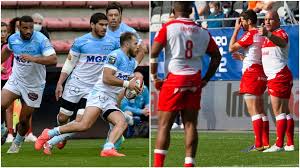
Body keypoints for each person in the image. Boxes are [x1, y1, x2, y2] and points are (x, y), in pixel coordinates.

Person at [35, 32, 144, 157]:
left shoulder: (130, 62)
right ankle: (49, 134)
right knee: (83, 125)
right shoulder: (115, 56)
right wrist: (127, 84)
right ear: (126, 44)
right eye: (135, 44)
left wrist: (133, 91)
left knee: (121, 122)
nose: (137, 47)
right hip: (99, 95)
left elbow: (127, 85)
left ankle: (108, 148)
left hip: (110, 99)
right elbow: (106, 78)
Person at [36, 13, 118, 155]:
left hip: (94, 89)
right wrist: (60, 83)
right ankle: (61, 135)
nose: (105, 27)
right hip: (75, 84)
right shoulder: (81, 42)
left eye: (106, 25)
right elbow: (69, 63)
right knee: (63, 117)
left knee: (81, 122)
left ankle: (51, 139)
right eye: (101, 24)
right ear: (92, 25)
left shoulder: (112, 43)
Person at [151, 1, 221, 167]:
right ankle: (189, 164)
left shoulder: (169, 27)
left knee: (164, 126)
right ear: (191, 11)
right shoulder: (203, 31)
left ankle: (158, 165)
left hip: (174, 78)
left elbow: (153, 53)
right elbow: (216, 56)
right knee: (190, 125)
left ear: (173, 11)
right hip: (194, 79)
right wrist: (205, 79)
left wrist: (154, 76)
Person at [1, 15, 57, 153]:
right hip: (16, 80)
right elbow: (7, 50)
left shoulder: (41, 40)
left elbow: (53, 59)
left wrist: (33, 58)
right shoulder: (13, 38)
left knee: (24, 120)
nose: (28, 31)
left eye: (31, 28)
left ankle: (17, 142)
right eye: (25, 28)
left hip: (34, 85)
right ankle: (2, 128)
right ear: (19, 28)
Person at [104, 1, 147, 148]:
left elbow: (143, 49)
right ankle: (116, 137)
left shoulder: (128, 31)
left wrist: (131, 67)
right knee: (101, 110)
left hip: (119, 77)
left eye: (116, 15)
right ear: (106, 16)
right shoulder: (102, 30)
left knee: (113, 106)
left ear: (121, 16)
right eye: (111, 15)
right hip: (102, 74)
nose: (113, 18)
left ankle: (112, 142)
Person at [229, 9, 269, 152]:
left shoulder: (250, 33)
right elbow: (256, 53)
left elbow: (231, 48)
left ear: (249, 21)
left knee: (254, 110)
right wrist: (244, 58)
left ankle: (258, 144)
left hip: (251, 74)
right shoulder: (262, 34)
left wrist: (235, 30)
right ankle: (265, 143)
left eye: (242, 21)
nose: (241, 24)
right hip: (261, 72)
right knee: (261, 110)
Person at [259, 11, 294, 152]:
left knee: (278, 112)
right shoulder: (268, 37)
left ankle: (279, 145)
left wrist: (267, 34)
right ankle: (290, 143)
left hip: (278, 75)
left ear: (278, 21)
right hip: (278, 75)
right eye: (265, 19)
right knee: (285, 112)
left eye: (271, 19)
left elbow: (282, 42)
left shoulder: (280, 34)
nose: (267, 21)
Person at [120, 71, 149, 138]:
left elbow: (148, 102)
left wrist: (147, 109)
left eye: (141, 79)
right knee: (128, 113)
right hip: (127, 112)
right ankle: (130, 130)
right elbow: (124, 107)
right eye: (138, 79)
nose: (140, 81)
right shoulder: (126, 89)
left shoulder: (144, 88)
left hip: (142, 111)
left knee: (149, 112)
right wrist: (141, 111)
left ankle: (147, 135)